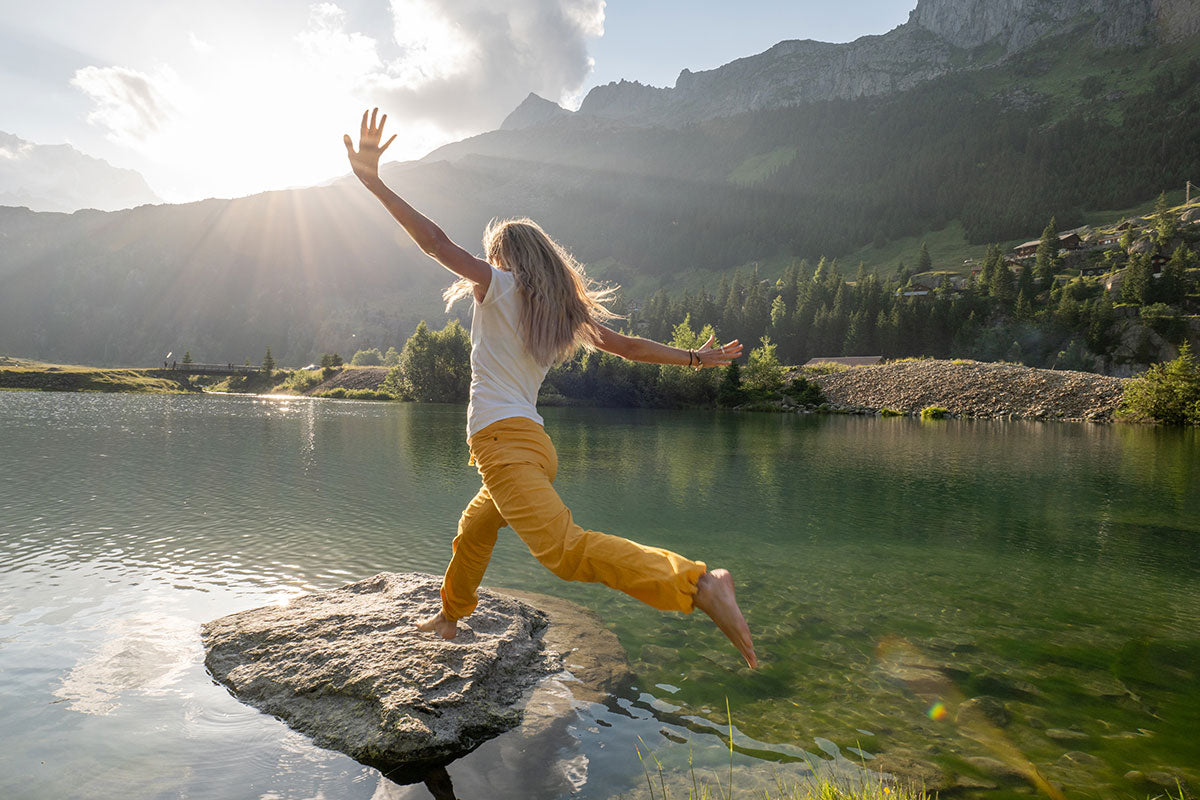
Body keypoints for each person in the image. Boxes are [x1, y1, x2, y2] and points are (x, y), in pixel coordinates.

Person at [344, 109, 757, 669]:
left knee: (564, 553)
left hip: (504, 446)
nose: (484, 266)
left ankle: (697, 584)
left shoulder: (498, 286)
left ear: (502, 258)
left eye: (490, 257)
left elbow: (435, 242)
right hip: (532, 447)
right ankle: (449, 617)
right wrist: (695, 358)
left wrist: (374, 183)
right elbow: (629, 347)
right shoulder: (560, 310)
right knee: (475, 530)